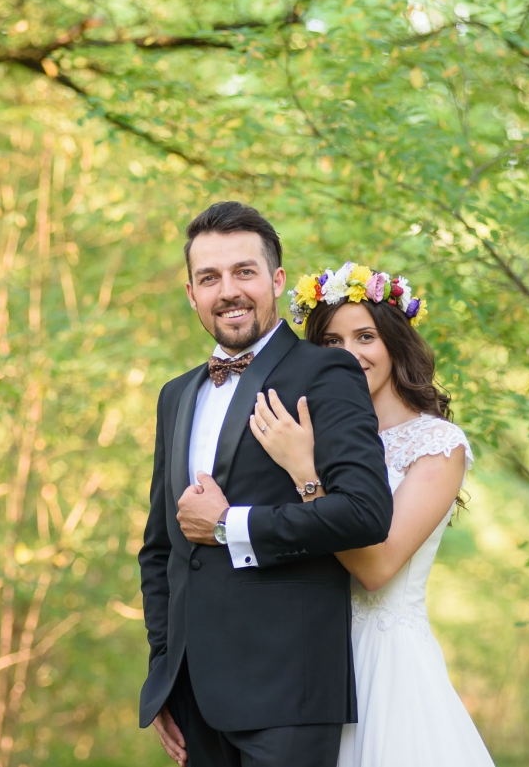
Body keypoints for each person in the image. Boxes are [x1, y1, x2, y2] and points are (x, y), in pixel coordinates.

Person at [138, 202, 394, 767]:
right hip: (192, 701)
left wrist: (230, 525)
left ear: (276, 279)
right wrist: (163, 673)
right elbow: (161, 550)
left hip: (289, 694)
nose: (228, 290)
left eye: (244, 272)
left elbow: (366, 513)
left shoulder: (326, 372)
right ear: (191, 294)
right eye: (210, 278)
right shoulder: (175, 395)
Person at [249, 261, 495, 766]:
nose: (350, 354)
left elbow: (377, 568)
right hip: (309, 660)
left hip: (385, 665)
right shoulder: (304, 432)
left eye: (365, 336)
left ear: (394, 343)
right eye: (332, 342)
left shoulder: (435, 445)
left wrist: (305, 473)